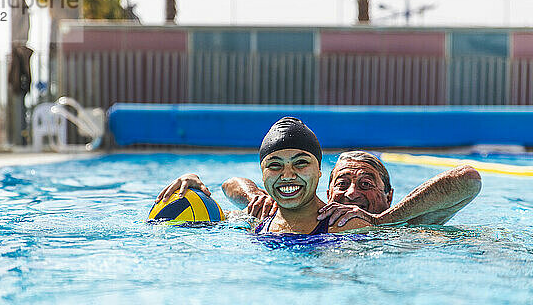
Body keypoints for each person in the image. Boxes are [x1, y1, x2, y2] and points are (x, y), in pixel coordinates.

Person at [156, 117, 370, 234]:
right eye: (275, 165)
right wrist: (194, 187)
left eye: (301, 163)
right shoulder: (257, 217)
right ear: (262, 173)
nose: (287, 175)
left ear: (319, 170)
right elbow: (228, 186)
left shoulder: (346, 226)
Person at [220, 150, 482, 227]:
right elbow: (229, 183)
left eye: (366, 184)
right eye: (342, 184)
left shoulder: (405, 225)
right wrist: (256, 197)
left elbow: (468, 178)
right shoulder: (291, 215)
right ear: (327, 193)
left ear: (389, 196)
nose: (351, 193)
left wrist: (380, 221)